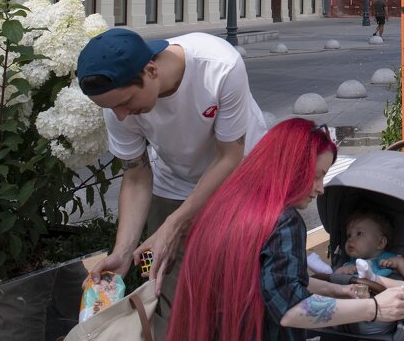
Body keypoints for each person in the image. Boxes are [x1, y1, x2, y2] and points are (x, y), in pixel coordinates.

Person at [75, 28, 268, 319]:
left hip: (241, 182)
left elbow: (230, 157)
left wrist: (174, 224)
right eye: (112, 108)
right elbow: (136, 174)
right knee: (163, 289)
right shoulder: (116, 103)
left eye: (125, 103)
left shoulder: (221, 65)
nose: (121, 116)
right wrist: (123, 250)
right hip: (172, 185)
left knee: (233, 294)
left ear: (151, 70)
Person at [170, 119, 404, 341]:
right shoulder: (284, 221)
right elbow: (290, 308)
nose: (320, 189)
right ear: (292, 167)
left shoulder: (228, 205)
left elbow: (272, 281)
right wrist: (376, 309)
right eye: (317, 176)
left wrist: (335, 289)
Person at [332, 206, 404, 337]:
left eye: (359, 234)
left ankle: (373, 278)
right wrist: (341, 271)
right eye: (348, 235)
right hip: (350, 317)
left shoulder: (391, 260)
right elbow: (333, 285)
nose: (351, 239)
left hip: (383, 315)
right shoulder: (350, 265)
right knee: (336, 283)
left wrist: (401, 264)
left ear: (380, 243)